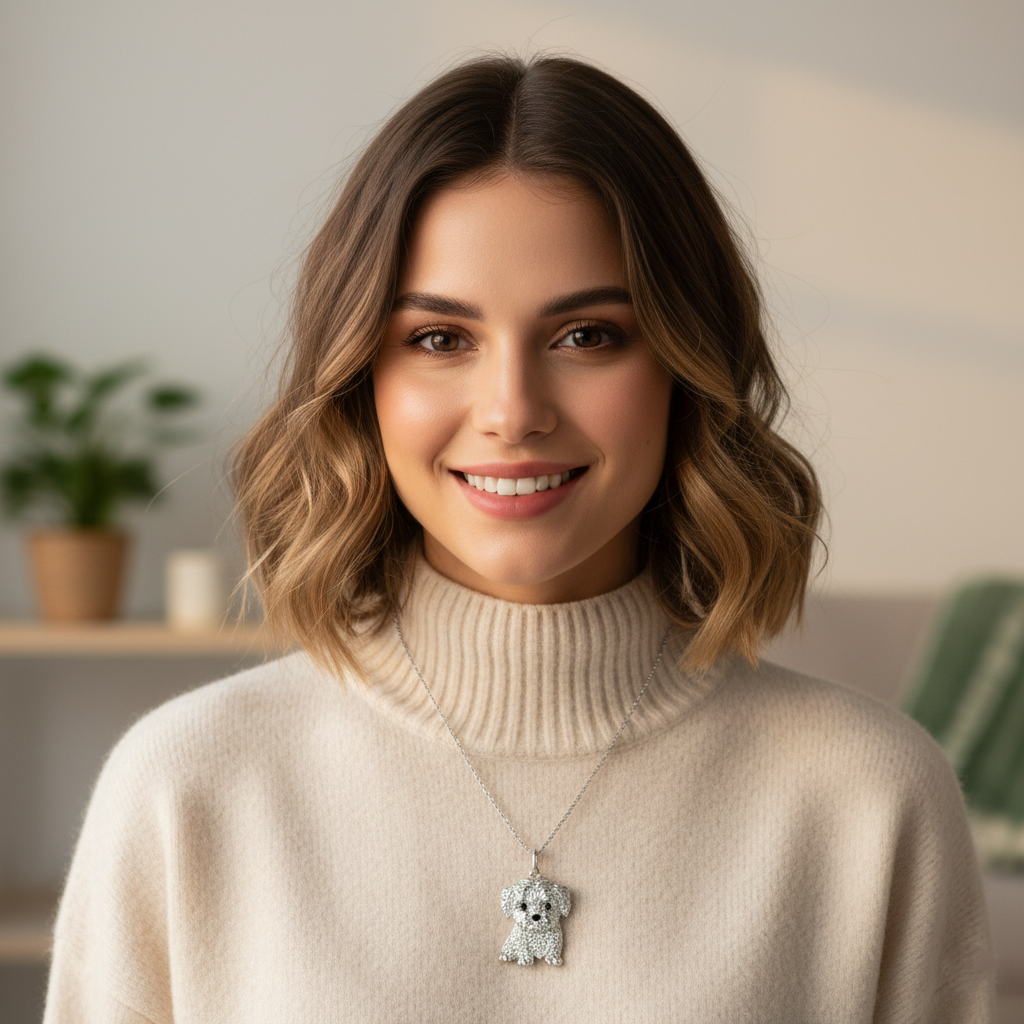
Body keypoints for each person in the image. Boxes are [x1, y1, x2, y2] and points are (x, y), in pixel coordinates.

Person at [44, 55, 993, 1022]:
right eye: (440, 339)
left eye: (586, 335)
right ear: (360, 380)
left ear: (685, 364)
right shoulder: (187, 782)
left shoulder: (872, 797)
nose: (512, 412)